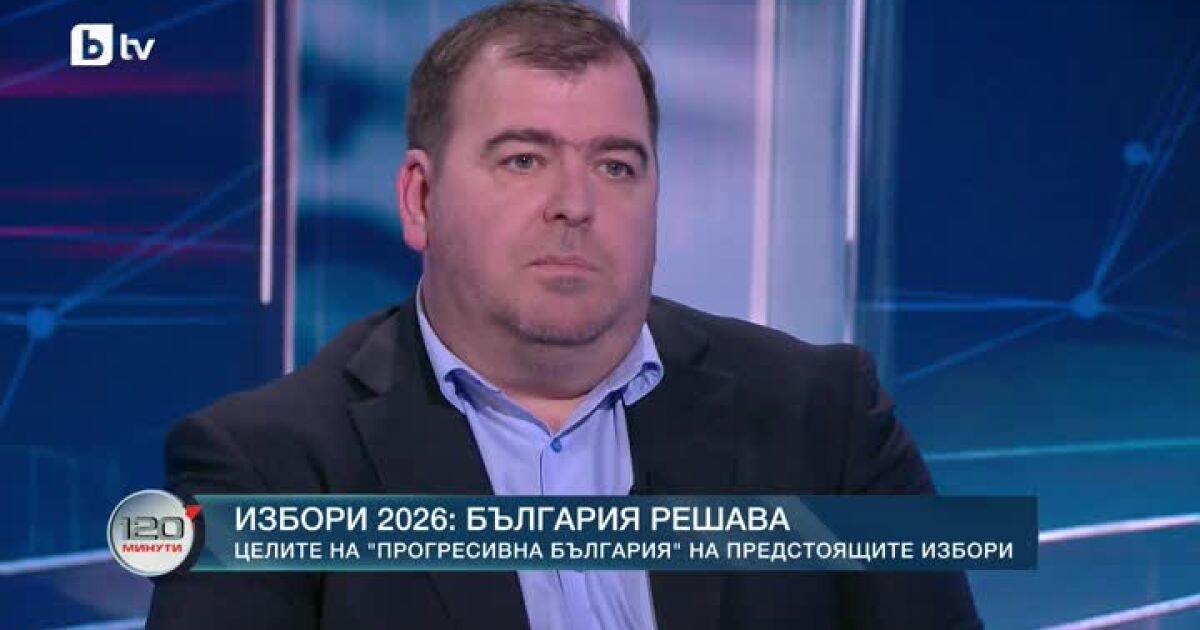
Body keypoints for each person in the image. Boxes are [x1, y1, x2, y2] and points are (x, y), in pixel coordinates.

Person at [147, 1, 981, 628]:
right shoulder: (267, 468)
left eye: (616, 167)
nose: (575, 204)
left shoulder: (826, 418)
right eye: (523, 160)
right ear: (420, 199)